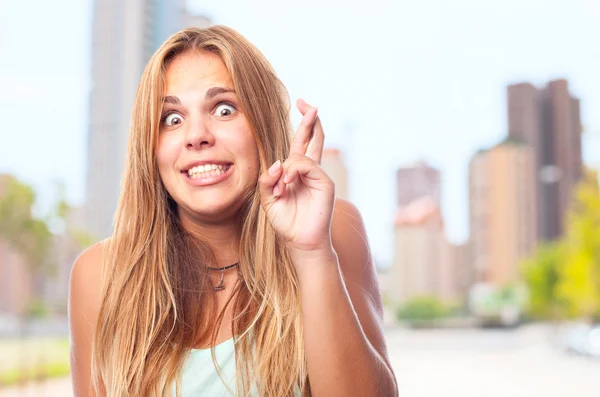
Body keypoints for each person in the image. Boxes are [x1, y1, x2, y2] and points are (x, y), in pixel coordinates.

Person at [69, 25, 397, 397]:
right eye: (172, 119)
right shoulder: (100, 275)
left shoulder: (332, 230)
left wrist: (311, 253)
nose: (197, 135)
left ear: (262, 125)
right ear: (151, 147)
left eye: (224, 110)